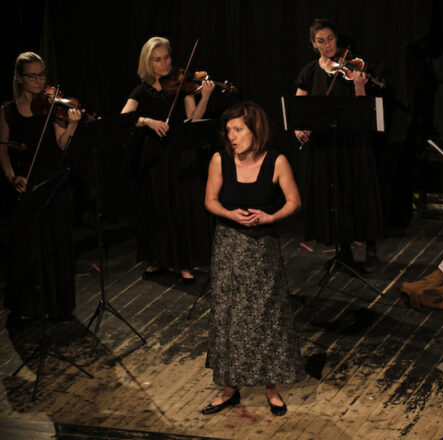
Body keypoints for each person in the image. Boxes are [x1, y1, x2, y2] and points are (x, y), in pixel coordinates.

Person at [202, 101, 305, 416]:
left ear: (255, 130)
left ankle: (271, 388)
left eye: (238, 129)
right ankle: (229, 388)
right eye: (229, 130)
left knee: (267, 317)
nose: (231, 136)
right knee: (228, 316)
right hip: (229, 246)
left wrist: (270, 217)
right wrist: (229, 214)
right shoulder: (220, 160)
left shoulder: (276, 161)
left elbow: (293, 201)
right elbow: (210, 201)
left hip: (263, 249)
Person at [121, 36, 214, 284]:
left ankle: (184, 263)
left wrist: (205, 98)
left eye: (166, 58)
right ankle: (159, 258)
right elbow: (124, 117)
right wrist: (148, 121)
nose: (164, 63)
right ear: (147, 63)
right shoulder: (142, 90)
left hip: (181, 153)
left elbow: (193, 118)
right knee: (158, 208)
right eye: (157, 59)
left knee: (182, 208)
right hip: (156, 157)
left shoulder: (181, 86)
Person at [294, 18, 384, 272]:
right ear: (313, 44)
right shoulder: (309, 72)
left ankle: (371, 248)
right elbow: (299, 106)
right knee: (335, 196)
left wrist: (359, 87)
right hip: (326, 145)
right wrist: (299, 127)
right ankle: (344, 249)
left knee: (360, 193)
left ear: (337, 38)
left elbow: (365, 111)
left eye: (330, 39)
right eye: (321, 41)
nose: (327, 45)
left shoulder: (352, 66)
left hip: (353, 142)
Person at [0, 52, 81, 326]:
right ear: (20, 79)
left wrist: (71, 125)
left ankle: (58, 306)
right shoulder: (7, 111)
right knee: (28, 248)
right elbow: (3, 151)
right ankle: (29, 306)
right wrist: (12, 177)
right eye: (32, 76)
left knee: (56, 246)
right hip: (27, 185)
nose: (39, 80)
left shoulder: (51, 107)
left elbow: (62, 144)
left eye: (42, 74)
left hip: (54, 183)